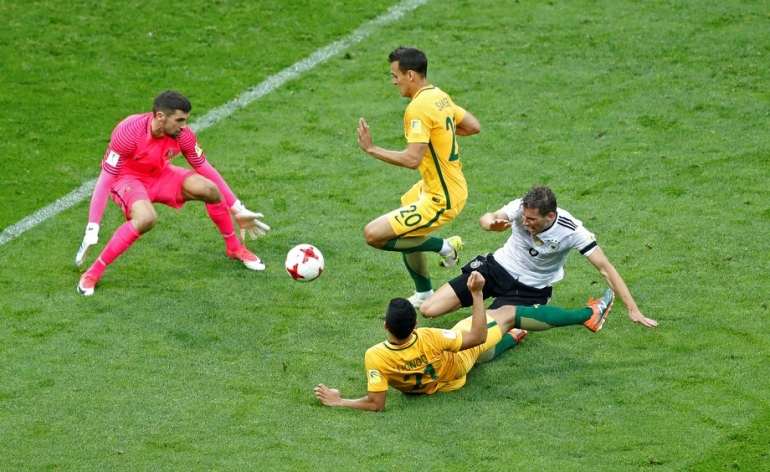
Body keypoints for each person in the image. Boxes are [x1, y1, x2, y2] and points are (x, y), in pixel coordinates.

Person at [314, 271, 615, 412]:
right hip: (456, 369)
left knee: (485, 345)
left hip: (435, 386)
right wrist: (477, 295)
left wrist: (339, 400)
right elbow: (476, 337)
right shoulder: (431, 337)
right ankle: (588, 316)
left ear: (385, 326)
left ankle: (513, 337)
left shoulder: (375, 356)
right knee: (507, 314)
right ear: (415, 324)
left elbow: (376, 403)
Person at [74, 90, 270, 296]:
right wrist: (92, 227)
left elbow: (204, 167)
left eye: (186, 120)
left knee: (210, 189)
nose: (184, 126)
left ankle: (234, 248)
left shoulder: (182, 135)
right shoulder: (129, 132)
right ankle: (93, 272)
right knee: (146, 218)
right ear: (161, 117)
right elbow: (106, 178)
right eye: (179, 120)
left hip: (160, 173)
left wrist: (238, 208)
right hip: (127, 179)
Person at [419, 186, 658, 328]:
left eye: (532, 219)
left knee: (477, 331)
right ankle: (516, 324)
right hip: (496, 269)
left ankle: (518, 326)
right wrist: (491, 224)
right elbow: (487, 217)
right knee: (429, 309)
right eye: (524, 217)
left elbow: (606, 268)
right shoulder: (520, 208)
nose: (525, 222)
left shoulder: (572, 231)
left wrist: (633, 309)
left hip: (530, 289)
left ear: (550, 216)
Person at [356, 46, 481, 308]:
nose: (394, 81)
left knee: (373, 235)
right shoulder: (439, 96)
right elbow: (473, 126)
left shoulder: (418, 108)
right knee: (405, 221)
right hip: (437, 186)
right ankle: (424, 293)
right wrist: (440, 133)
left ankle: (445, 246)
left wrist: (372, 149)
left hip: (442, 198)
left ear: (410, 75)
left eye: (395, 75)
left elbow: (412, 159)